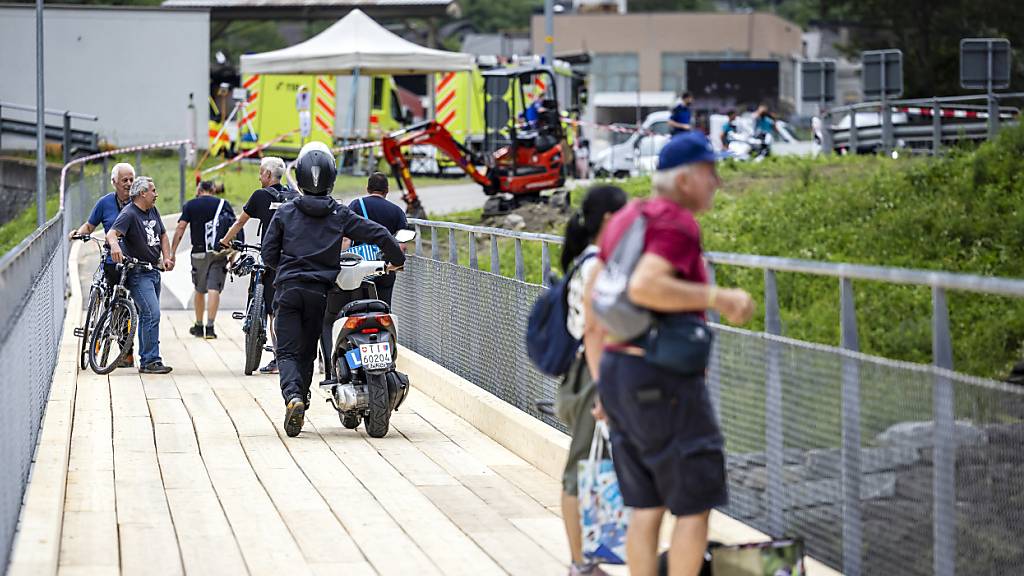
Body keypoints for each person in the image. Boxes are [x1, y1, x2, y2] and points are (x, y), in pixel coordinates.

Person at [585, 132, 754, 576]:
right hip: (663, 379)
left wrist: (604, 383)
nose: (717, 181)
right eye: (710, 172)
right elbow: (644, 285)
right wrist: (722, 298)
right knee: (694, 506)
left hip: (621, 371)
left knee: (646, 505)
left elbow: (594, 302)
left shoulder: (625, 217)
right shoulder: (676, 222)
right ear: (686, 179)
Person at [262, 142, 404, 438]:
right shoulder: (339, 214)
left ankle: (294, 398)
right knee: (307, 353)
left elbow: (268, 253)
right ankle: (303, 396)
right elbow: (378, 232)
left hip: (288, 290)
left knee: (287, 351)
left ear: (299, 177)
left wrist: (284, 269)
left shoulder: (286, 212)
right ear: (332, 178)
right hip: (318, 294)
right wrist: (396, 259)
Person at [556, 184, 628, 576]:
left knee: (592, 463)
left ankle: (590, 557)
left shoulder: (591, 260)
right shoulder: (596, 264)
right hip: (592, 375)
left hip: (589, 372)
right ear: (607, 220)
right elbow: (596, 331)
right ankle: (580, 562)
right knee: (582, 464)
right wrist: (604, 388)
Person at [220, 156, 297, 374]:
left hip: (271, 257)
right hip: (292, 259)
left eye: (261, 172)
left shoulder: (260, 196)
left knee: (273, 311)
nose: (259, 176)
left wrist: (225, 241)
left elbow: (240, 221)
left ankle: (277, 360)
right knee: (286, 309)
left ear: (268, 175)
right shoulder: (293, 196)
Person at [107, 176, 176, 375]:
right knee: (152, 313)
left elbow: (162, 234)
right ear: (142, 193)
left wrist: (167, 257)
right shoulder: (129, 213)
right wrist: (114, 246)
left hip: (154, 271)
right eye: (153, 190)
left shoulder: (152, 210)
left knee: (147, 316)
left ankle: (147, 358)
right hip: (138, 273)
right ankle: (150, 360)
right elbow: (112, 234)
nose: (156, 194)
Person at [70, 161, 136, 367]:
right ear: (114, 182)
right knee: (108, 298)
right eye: (124, 180)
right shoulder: (105, 203)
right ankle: (98, 327)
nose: (128, 183)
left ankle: (127, 351)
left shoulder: (138, 202)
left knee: (127, 307)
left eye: (131, 179)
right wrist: (79, 233)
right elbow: (90, 225)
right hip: (110, 260)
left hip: (131, 262)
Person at [171, 180, 236, 339]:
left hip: (198, 253)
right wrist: (233, 254)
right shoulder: (223, 203)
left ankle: (199, 326)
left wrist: (172, 252)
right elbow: (234, 228)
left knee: (200, 289)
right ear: (213, 189)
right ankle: (210, 327)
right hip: (219, 252)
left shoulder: (191, 205)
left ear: (199, 189)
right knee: (214, 288)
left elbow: (181, 228)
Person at [345, 172, 408, 306]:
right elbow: (402, 246)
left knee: (357, 306)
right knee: (384, 306)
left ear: (368, 189)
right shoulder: (397, 211)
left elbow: (345, 239)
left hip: (359, 267)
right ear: (387, 190)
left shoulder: (356, 205)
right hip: (386, 267)